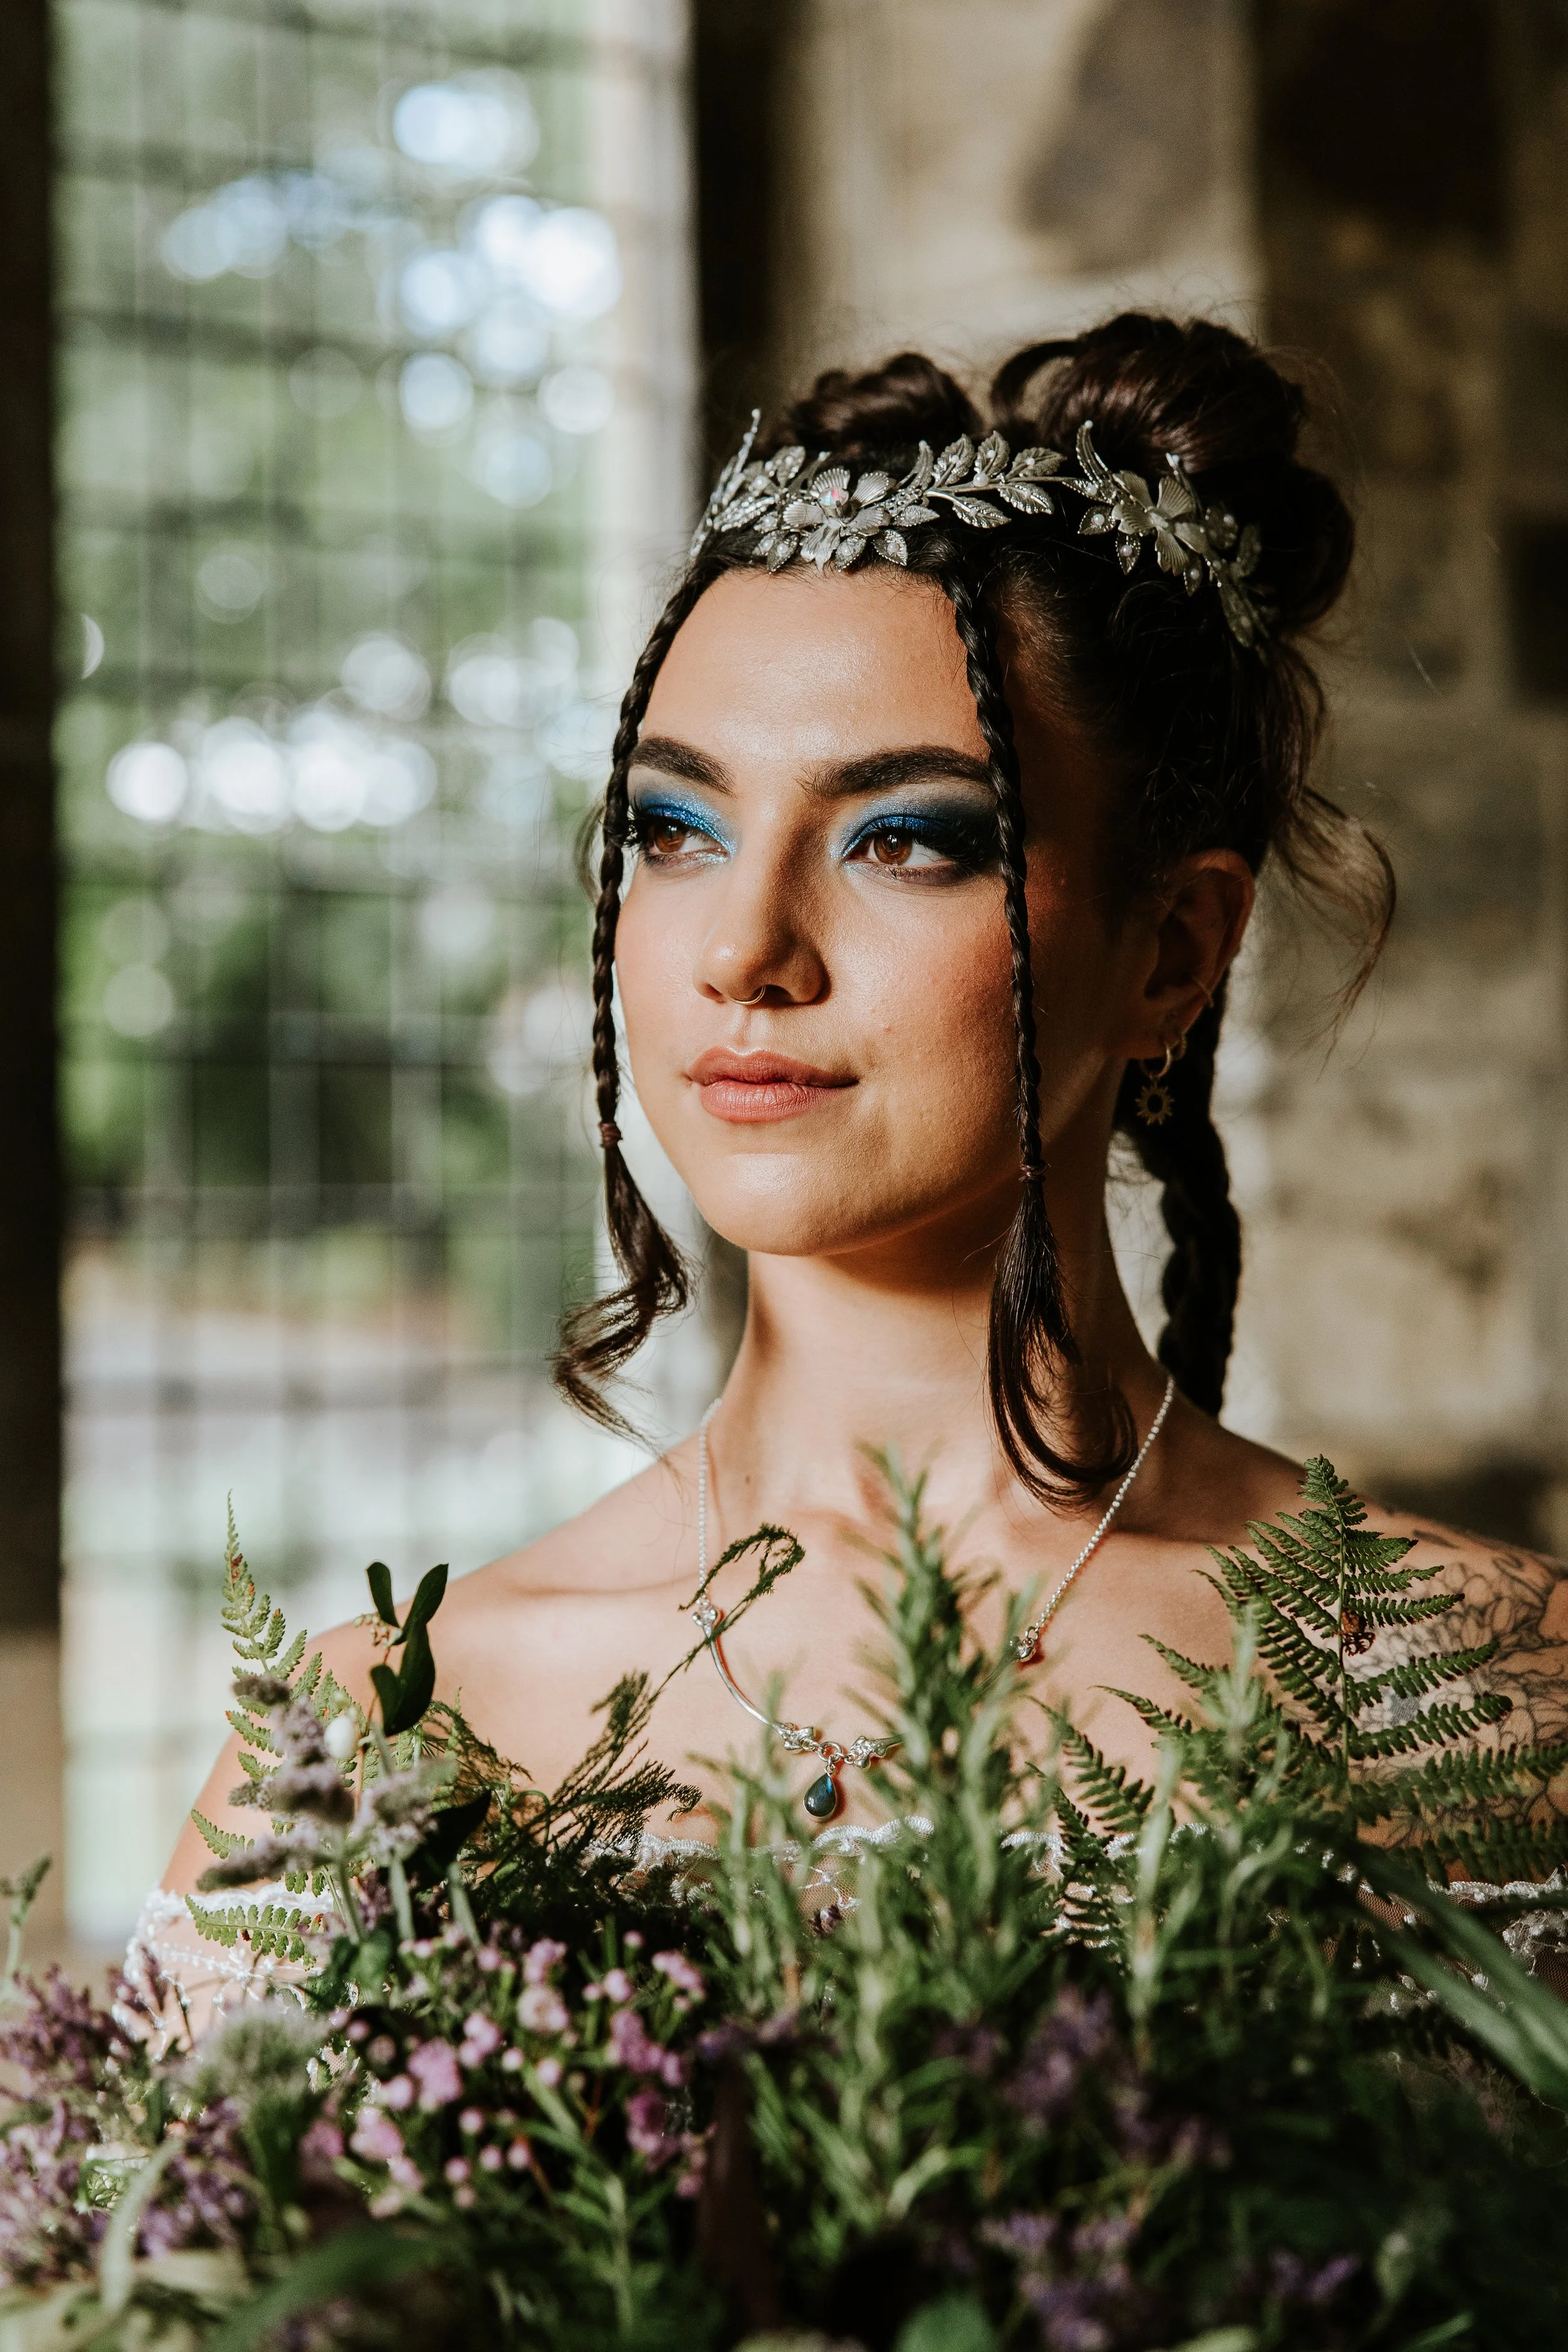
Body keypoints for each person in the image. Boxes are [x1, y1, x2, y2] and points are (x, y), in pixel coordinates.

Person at [156, 315, 1568, 1983]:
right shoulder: (383, 1729)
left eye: (905, 837)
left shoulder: (1498, 1688)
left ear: (1174, 952)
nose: (741, 947)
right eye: (673, 831)